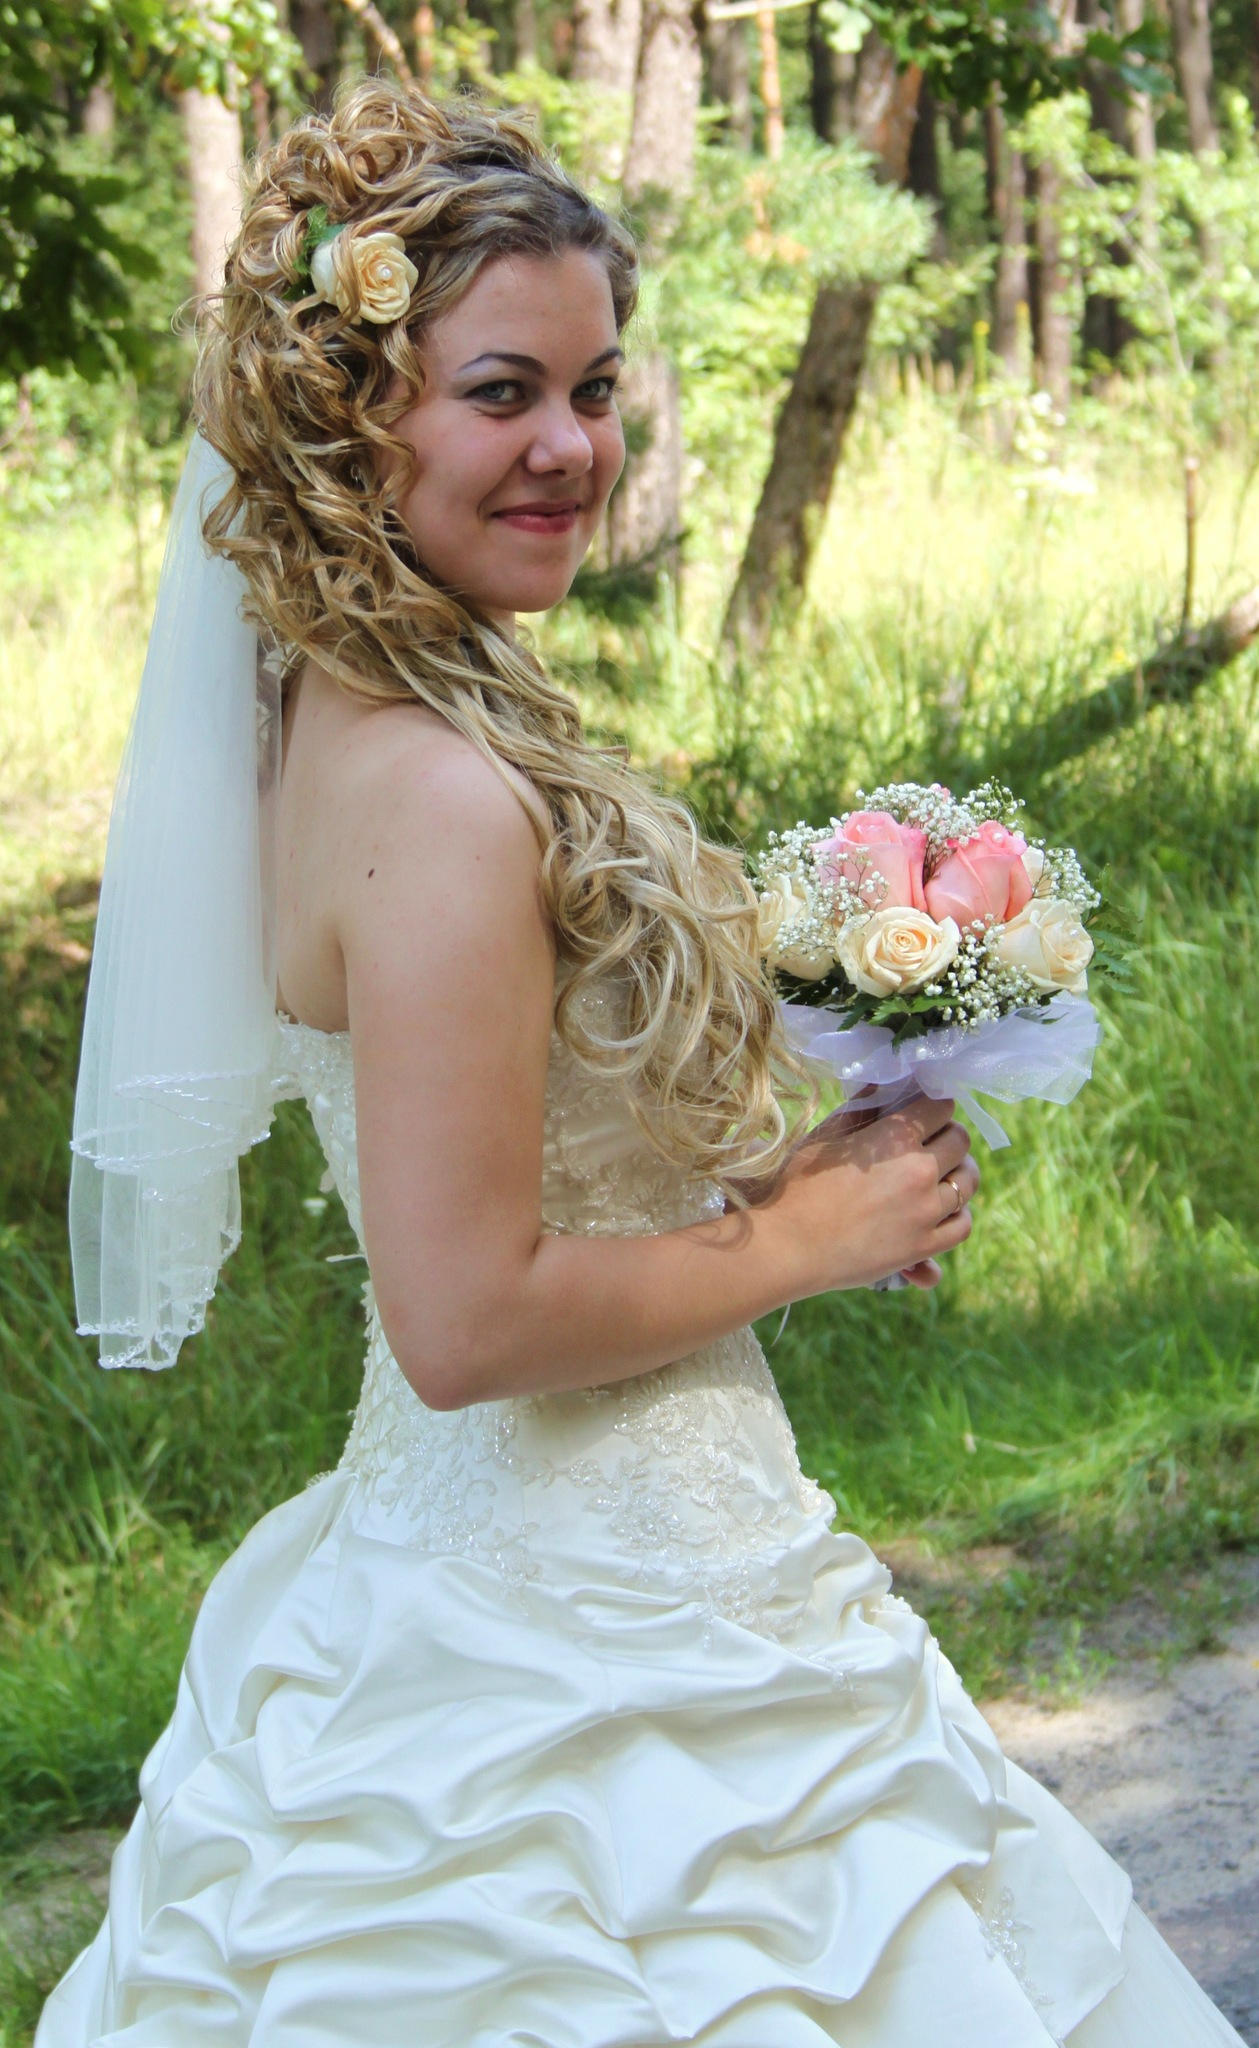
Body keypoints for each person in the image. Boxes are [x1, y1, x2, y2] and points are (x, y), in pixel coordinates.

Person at [39, 78, 1243, 2048]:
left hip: (507, 1544)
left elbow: (515, 1140)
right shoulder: (436, 793)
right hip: (579, 1620)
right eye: (500, 391)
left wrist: (795, 1137)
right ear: (353, 414)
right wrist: (806, 1239)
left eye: (596, 391)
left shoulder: (349, 713)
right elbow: (464, 1318)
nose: (572, 448)